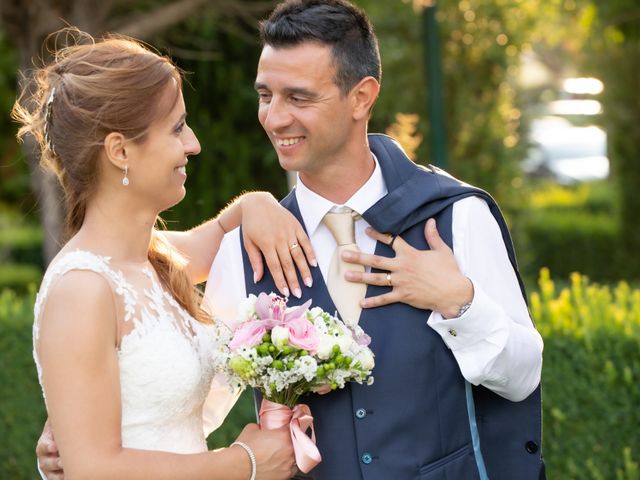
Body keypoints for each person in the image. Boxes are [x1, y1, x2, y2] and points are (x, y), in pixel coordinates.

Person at [38, 1, 545, 479]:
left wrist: (461, 303)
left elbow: (522, 377)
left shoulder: (457, 218)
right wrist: (77, 436)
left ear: (362, 97)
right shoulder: (246, 249)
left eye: (298, 97)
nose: (274, 118)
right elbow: (196, 397)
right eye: (265, 95)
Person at [17, 30, 310, 479]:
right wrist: (246, 463)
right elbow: (92, 469)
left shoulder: (153, 257)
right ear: (120, 151)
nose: (193, 143)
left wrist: (258, 203)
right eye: (176, 127)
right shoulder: (82, 288)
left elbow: (219, 231)